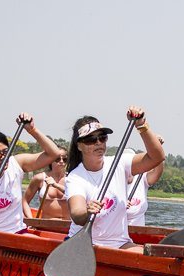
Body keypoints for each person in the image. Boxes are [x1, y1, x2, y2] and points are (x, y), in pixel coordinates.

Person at [63, 107, 165, 252]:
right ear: (79, 145)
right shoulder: (76, 177)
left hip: (120, 243)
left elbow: (157, 157)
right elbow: (77, 215)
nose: (98, 142)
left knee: (157, 262)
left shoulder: (119, 163)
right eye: (91, 139)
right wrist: (87, 211)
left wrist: (141, 125)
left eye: (102, 137)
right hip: (85, 244)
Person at [124, 138, 166, 227]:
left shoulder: (141, 177)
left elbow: (157, 171)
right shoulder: (110, 180)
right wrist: (118, 207)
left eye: (130, 164)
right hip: (115, 235)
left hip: (137, 235)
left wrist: (157, 146)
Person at [24, 148, 70, 220]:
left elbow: (77, 196)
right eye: (57, 159)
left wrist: (56, 185)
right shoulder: (39, 178)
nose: (61, 162)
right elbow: (25, 201)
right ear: (50, 159)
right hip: (44, 224)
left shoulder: (71, 178)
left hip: (68, 226)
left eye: (64, 159)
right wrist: (31, 220)